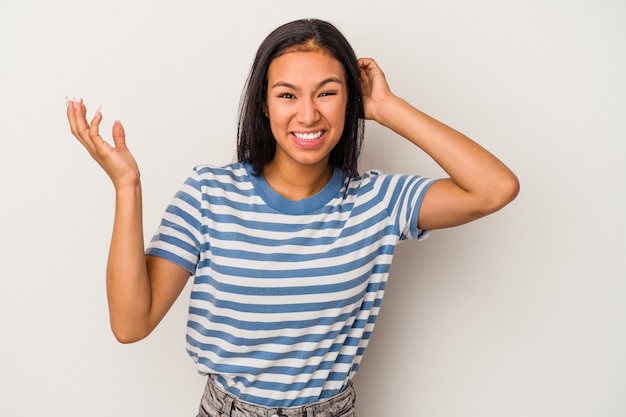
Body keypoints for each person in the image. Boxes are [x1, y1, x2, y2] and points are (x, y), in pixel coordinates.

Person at [66, 18, 518, 417]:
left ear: (349, 102)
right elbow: (131, 324)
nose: (308, 113)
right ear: (264, 104)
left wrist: (385, 107)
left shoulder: (378, 201)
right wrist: (127, 186)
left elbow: (495, 188)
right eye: (287, 95)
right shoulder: (209, 194)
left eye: (327, 93)